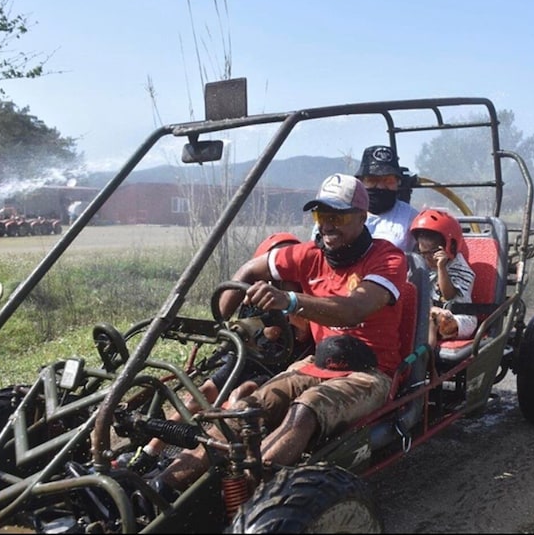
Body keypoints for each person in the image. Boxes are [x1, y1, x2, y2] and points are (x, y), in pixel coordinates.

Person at [152, 173, 408, 492]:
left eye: (337, 216)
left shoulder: (387, 258)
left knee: (306, 409)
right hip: (318, 364)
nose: (327, 225)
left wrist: (289, 300)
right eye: (321, 215)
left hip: (369, 374)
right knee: (244, 410)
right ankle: (158, 490)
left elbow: (352, 309)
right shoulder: (309, 255)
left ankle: (252, 492)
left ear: (360, 217)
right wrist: (222, 321)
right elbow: (249, 269)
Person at [117, 232, 313, 475]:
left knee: (239, 398)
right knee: (199, 395)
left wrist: (283, 303)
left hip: (278, 368)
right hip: (247, 359)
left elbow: (303, 333)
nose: (278, 274)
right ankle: (150, 452)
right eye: (273, 267)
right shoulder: (252, 294)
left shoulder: (302, 297)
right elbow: (231, 321)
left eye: (284, 269)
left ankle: (210, 463)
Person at [310, 145, 418, 252]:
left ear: (398, 182)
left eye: (388, 181)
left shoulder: (411, 218)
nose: (380, 187)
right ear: (360, 182)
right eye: (372, 180)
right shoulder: (334, 213)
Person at [410, 209, 477, 349]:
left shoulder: (461, 268)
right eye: (423, 253)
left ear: (449, 247)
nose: (428, 258)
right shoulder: (422, 265)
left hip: (459, 317)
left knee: (433, 319)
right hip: (429, 313)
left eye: (432, 252)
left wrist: (441, 268)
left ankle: (424, 361)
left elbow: (448, 295)